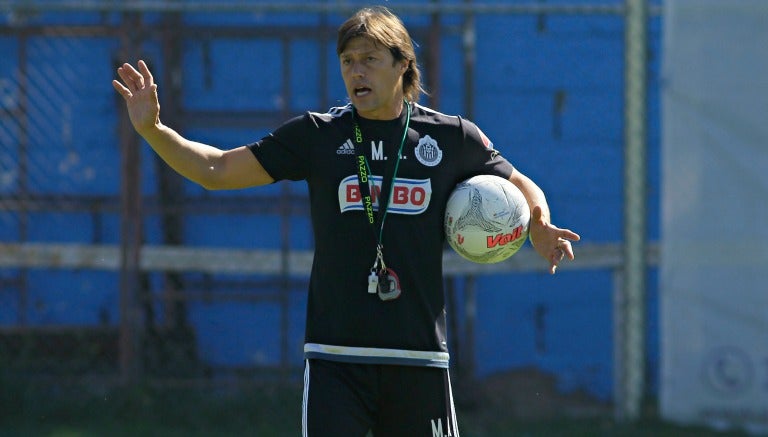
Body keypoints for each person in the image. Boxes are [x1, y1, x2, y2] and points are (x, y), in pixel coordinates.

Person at [113, 6, 580, 436]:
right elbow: (216, 170)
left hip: (418, 357)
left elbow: (520, 183)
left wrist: (538, 222)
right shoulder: (318, 135)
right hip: (336, 359)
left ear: (402, 65)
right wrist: (153, 130)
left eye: (370, 59)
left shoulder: (451, 138)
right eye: (348, 61)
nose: (356, 71)